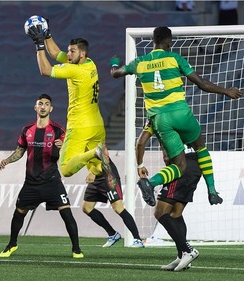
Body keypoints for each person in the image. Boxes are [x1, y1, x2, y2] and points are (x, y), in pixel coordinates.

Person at [110, 26, 242, 207]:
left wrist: (115, 63)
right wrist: (226, 91)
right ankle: (212, 191)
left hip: (160, 120)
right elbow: (202, 84)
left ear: (153, 41)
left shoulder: (139, 62)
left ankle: (150, 182)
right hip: (180, 113)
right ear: (169, 41)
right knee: (200, 148)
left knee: (179, 166)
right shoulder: (175, 58)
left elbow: (116, 74)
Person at [26, 19, 119, 201]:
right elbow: (55, 53)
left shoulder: (75, 71)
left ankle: (96, 153)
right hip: (96, 125)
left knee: (66, 168)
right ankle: (103, 174)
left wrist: (39, 45)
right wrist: (47, 34)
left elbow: (45, 70)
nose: (68, 54)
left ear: (82, 54)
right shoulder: (89, 64)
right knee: (96, 167)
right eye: (69, 50)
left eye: (72, 51)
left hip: (80, 126)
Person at [0, 94, 83, 259]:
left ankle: (76, 249)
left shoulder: (59, 131)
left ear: (51, 108)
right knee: (19, 213)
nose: (43, 106)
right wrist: (7, 160)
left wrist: (64, 146)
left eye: (46, 104)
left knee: (66, 213)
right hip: (31, 183)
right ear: (35, 108)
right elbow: (20, 151)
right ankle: (12, 244)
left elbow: (69, 154)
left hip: (52, 182)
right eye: (40, 104)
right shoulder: (27, 130)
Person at [136, 119, 201, 271]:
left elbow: (140, 143)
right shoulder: (186, 115)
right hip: (195, 166)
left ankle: (188, 250)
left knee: (160, 212)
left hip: (179, 167)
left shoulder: (156, 117)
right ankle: (181, 256)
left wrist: (139, 165)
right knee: (176, 213)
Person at [83, 160, 144, 248]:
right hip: (97, 177)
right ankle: (112, 234)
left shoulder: (96, 145)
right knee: (86, 207)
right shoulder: (72, 147)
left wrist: (92, 171)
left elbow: (103, 156)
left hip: (108, 174)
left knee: (118, 207)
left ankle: (137, 239)